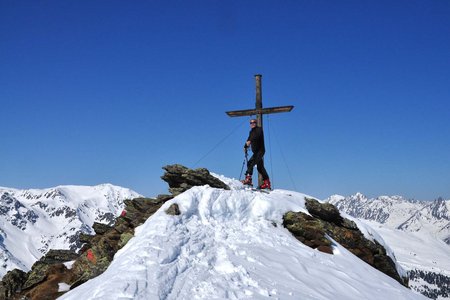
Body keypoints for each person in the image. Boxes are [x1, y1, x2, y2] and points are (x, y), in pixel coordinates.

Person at [241, 118, 271, 189]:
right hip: (256, 152)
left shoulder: (259, 129)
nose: (252, 124)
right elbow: (249, 139)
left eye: (254, 122)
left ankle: (248, 179)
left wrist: (249, 141)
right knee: (260, 167)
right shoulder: (251, 132)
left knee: (251, 163)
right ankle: (267, 183)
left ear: (256, 123)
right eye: (251, 123)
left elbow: (256, 136)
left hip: (260, 151)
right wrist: (245, 147)